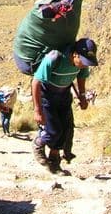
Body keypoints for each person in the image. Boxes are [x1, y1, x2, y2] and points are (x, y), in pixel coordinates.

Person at [31, 38, 98, 174]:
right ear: (75, 54)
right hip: (47, 97)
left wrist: (82, 96)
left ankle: (54, 164)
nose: (84, 66)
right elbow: (36, 82)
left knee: (65, 131)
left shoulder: (81, 65)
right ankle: (38, 143)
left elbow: (81, 78)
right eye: (83, 62)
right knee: (54, 131)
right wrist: (37, 110)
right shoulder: (55, 57)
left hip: (64, 96)